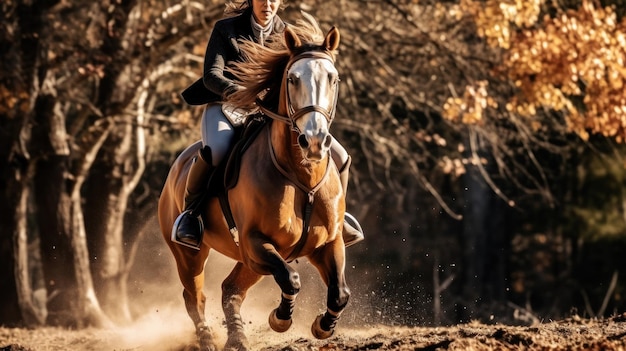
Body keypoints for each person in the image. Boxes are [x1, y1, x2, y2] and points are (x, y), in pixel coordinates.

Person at [174, 0, 364, 250]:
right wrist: (242, 92)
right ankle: (191, 216)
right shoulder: (226, 29)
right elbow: (211, 76)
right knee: (218, 150)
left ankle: (338, 219)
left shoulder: (287, 34)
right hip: (227, 106)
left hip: (271, 113)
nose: (268, 3)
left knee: (340, 155)